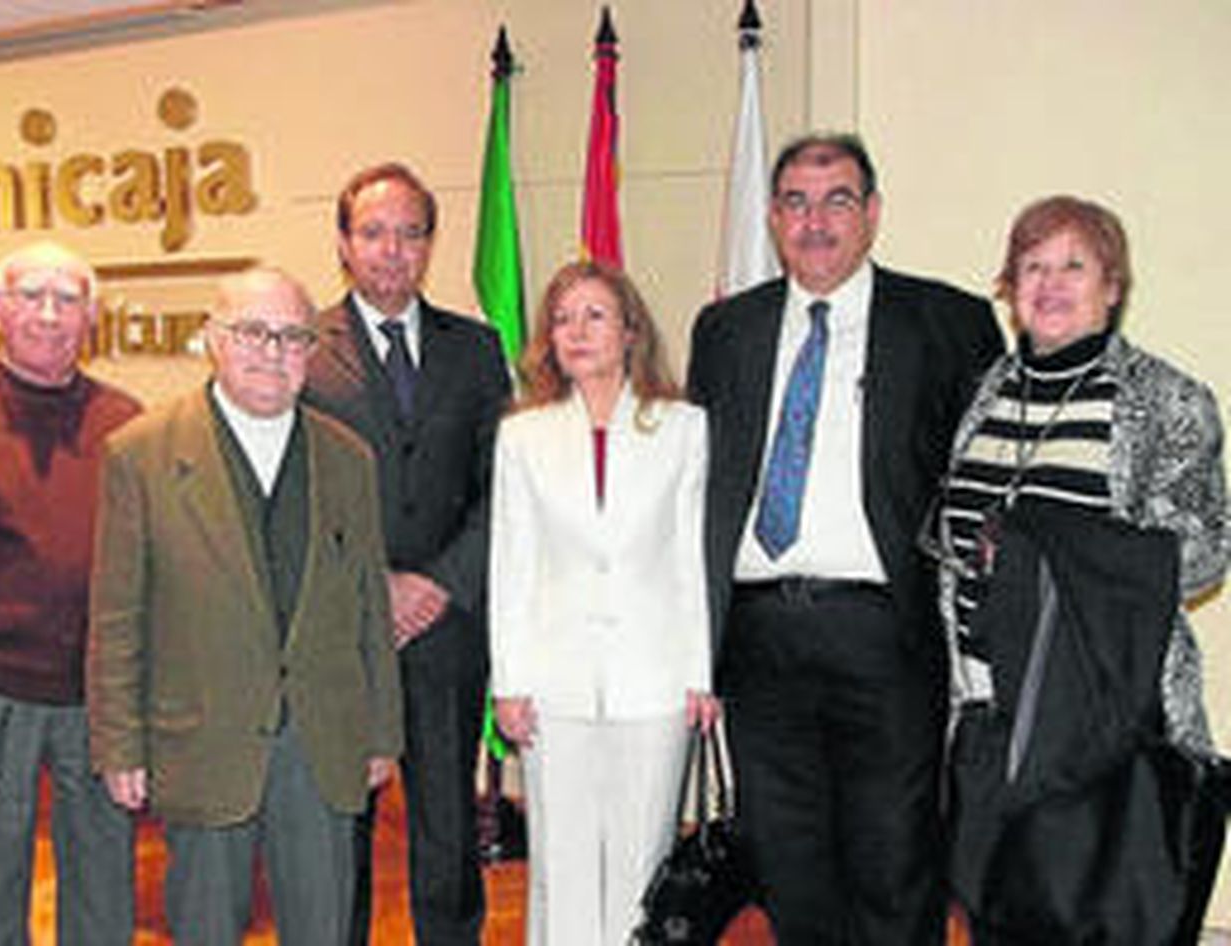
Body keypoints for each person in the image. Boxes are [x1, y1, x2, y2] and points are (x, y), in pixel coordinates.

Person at [685, 132, 1003, 944]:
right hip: (758, 638)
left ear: (872, 215)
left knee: (894, 864)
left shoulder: (947, 322)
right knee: (790, 867)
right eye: (795, 200)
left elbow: (987, 477)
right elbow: (698, 489)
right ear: (772, 216)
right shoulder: (724, 331)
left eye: (837, 200)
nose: (815, 220)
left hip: (884, 635)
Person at [933, 195, 1228, 944]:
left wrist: (1047, 544)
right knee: (994, 924)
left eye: (1074, 265)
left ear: (1113, 286)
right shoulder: (986, 392)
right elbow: (949, 541)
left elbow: (1202, 552)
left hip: (1100, 726)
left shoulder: (1167, 401)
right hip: (986, 716)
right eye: (1032, 266)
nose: (1051, 282)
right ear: (1009, 287)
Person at [88, 268, 403, 946]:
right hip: (202, 740)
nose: (272, 351)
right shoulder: (140, 454)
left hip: (323, 743)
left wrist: (382, 733)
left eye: (292, 336)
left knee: (323, 929)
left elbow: (370, 610)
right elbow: (117, 617)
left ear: (311, 350)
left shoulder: (348, 458)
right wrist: (119, 745)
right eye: (252, 332)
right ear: (212, 338)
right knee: (204, 929)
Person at [304, 162, 511, 946]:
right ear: (344, 244)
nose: (392, 251)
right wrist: (374, 589)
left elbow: (504, 489)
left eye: (410, 233)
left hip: (448, 626)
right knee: (341, 826)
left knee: (447, 827)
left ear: (431, 245)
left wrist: (439, 582)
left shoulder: (479, 350)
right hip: (344, 628)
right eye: (374, 233)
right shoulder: (303, 351)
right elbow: (295, 495)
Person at [489, 261, 719, 945]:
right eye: (562, 318)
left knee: (642, 865)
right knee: (559, 868)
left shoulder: (682, 427)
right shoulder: (522, 436)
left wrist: (699, 674)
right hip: (551, 687)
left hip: (654, 683)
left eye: (594, 315)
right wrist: (510, 683)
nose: (576, 331)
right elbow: (512, 565)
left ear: (630, 331)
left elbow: (689, 561)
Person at [0, 241, 141, 945]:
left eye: (68, 299)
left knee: (105, 880)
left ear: (92, 316)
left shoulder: (129, 424)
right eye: (30, 296)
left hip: (99, 693)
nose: (49, 315)